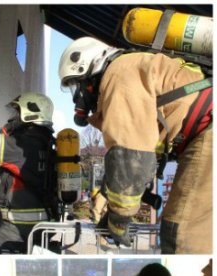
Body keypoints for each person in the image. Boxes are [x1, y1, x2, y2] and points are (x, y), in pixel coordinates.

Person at [58, 37, 212, 253]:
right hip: (204, 129)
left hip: (208, 130)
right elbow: (136, 156)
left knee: (182, 234)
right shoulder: (129, 68)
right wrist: (111, 202)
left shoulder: (118, 75)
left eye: (76, 85)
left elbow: (129, 158)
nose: (78, 96)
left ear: (87, 70)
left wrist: (118, 219)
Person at [0, 92, 59, 254]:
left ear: (30, 114)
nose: (15, 117)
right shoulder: (44, 143)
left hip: (18, 231)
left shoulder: (22, 146)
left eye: (18, 113)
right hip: (42, 227)